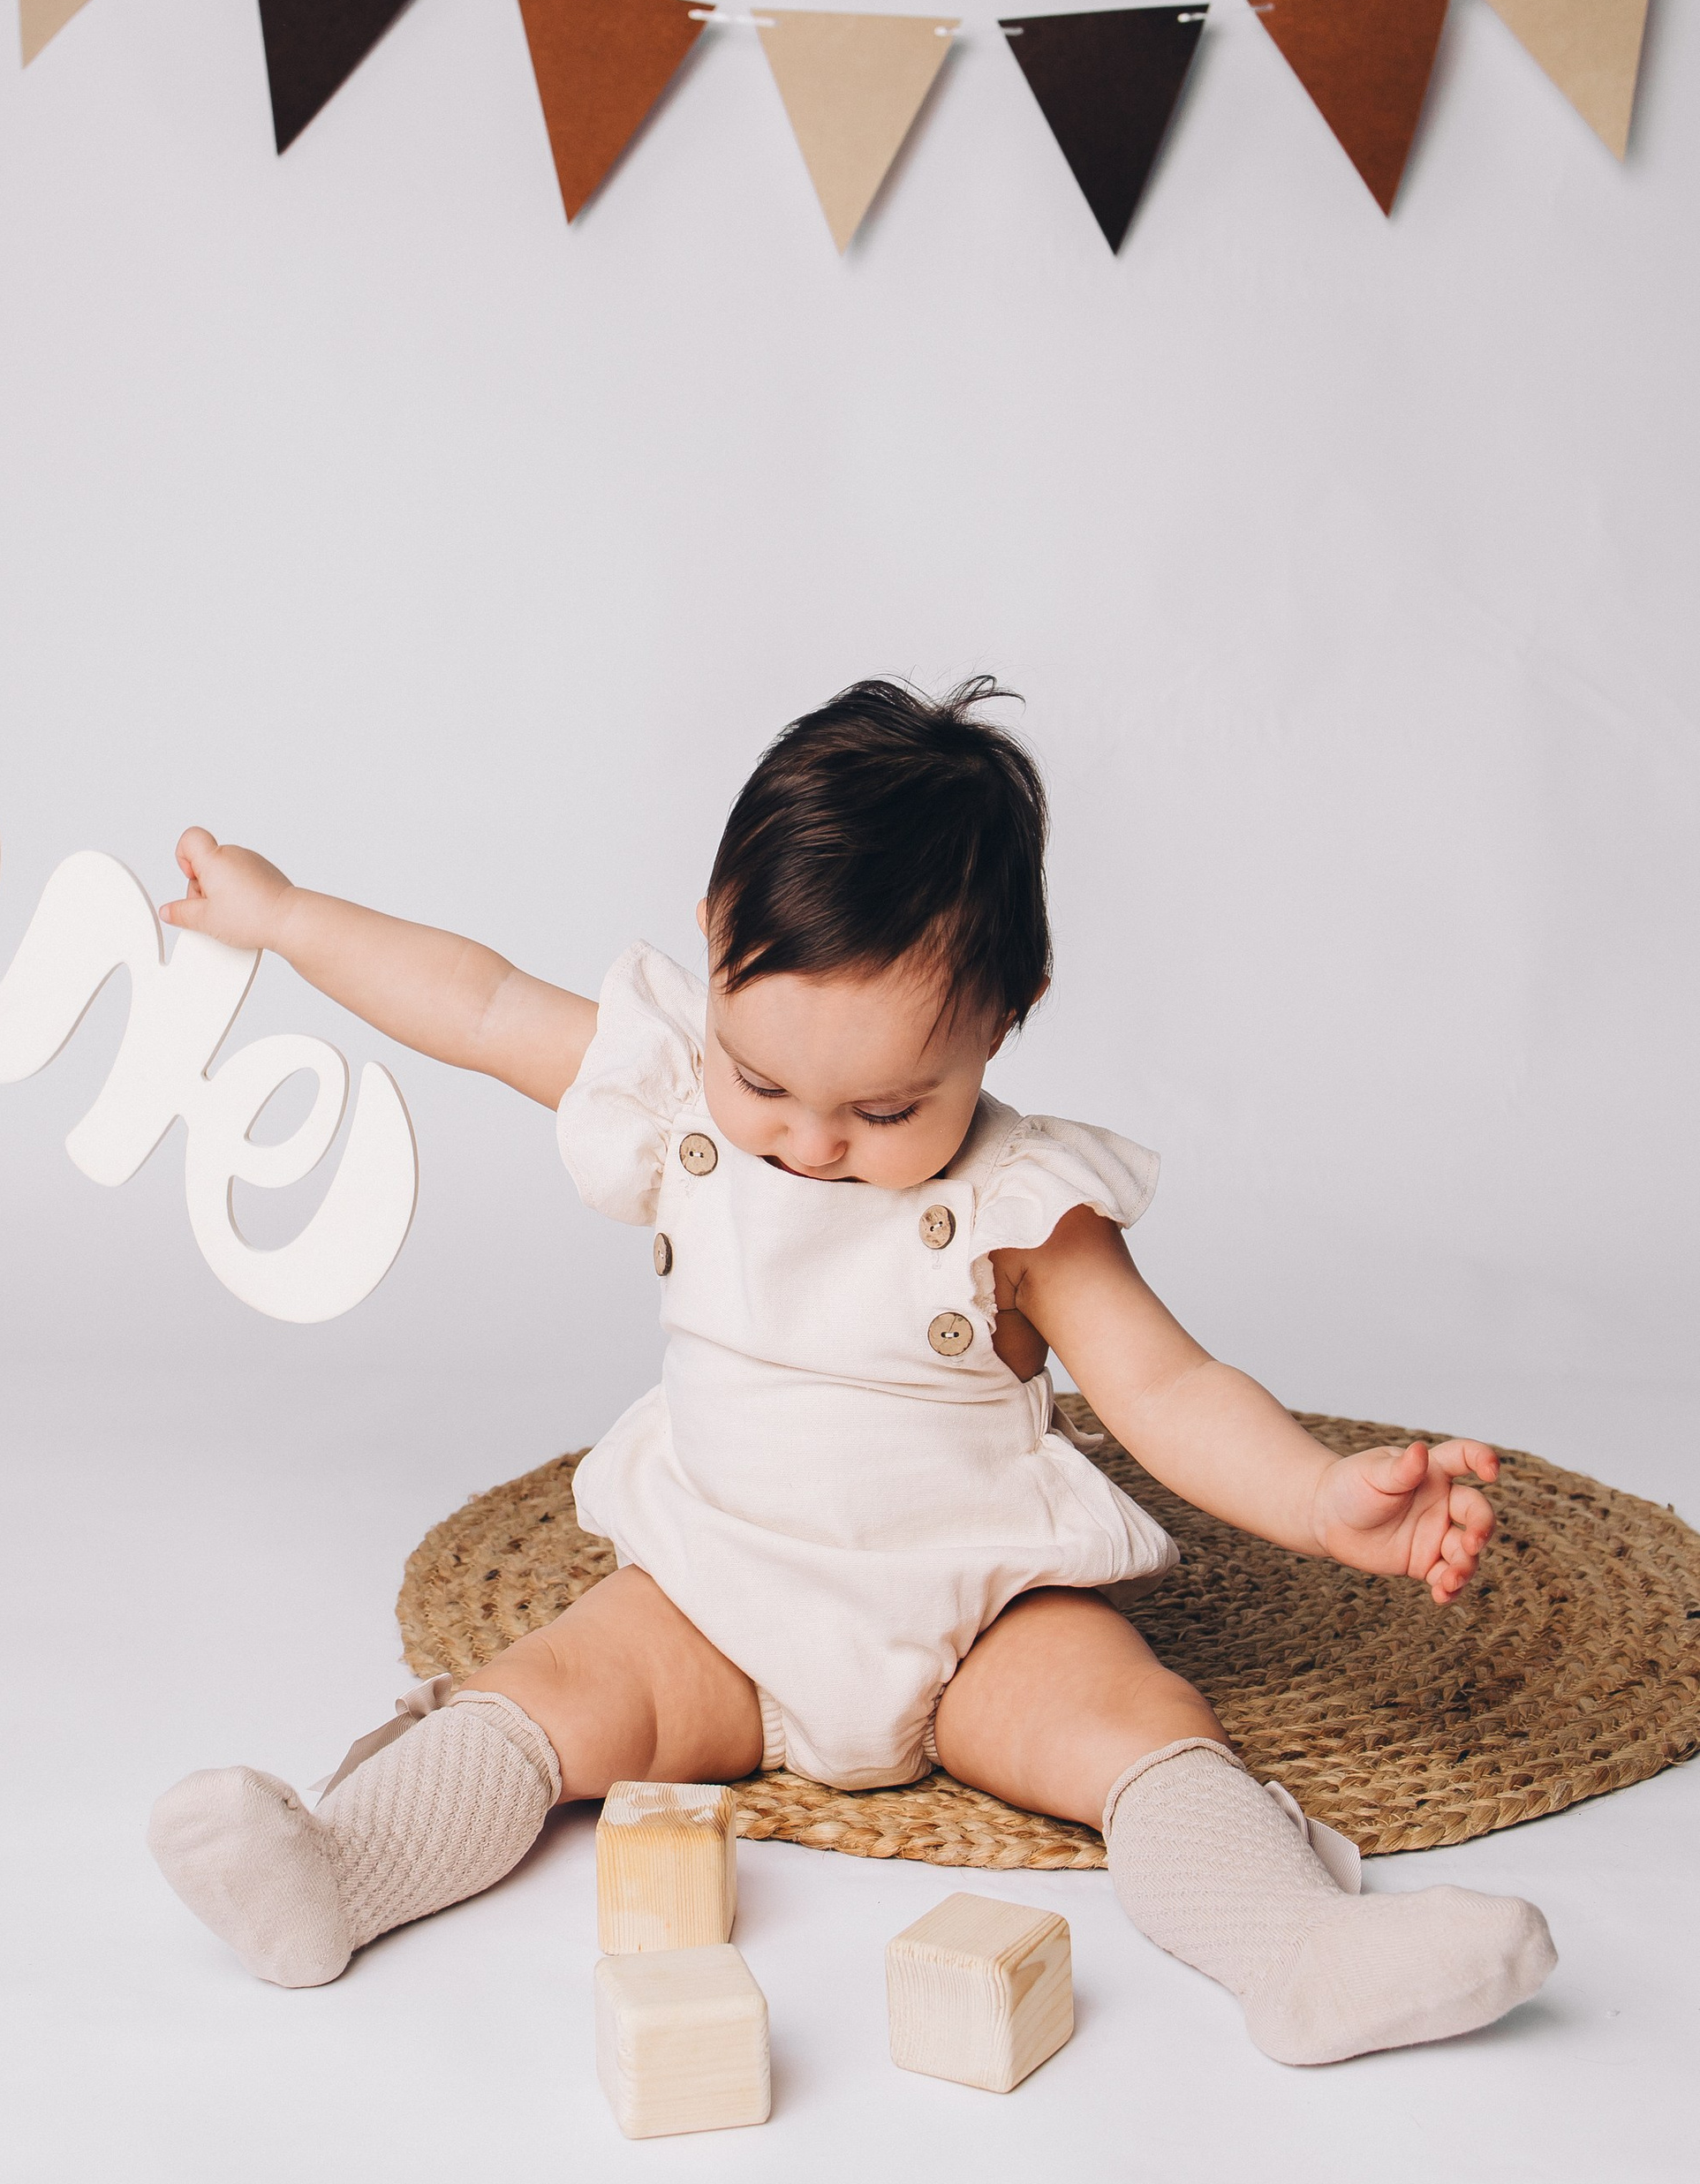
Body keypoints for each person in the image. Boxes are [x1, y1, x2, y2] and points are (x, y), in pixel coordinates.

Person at [145, 676, 1553, 2067]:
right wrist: (281, 917)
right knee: (550, 1689)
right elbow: (479, 999)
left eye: (886, 1110)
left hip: (975, 1620)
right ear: (713, 952)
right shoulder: (669, 1097)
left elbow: (1172, 1392)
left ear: (1007, 1017)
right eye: (762, 1082)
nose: (808, 1145)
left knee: (1139, 1724)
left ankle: (1297, 1953)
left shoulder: (1023, 1210)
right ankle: (345, 1868)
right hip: (715, 1599)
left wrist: (1318, 1498)